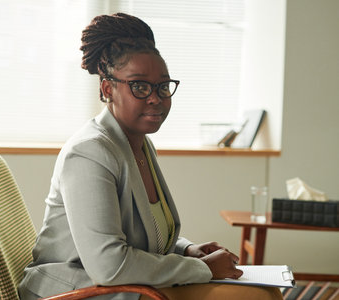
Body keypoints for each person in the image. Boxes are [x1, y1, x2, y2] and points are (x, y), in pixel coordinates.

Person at [18, 13, 283, 300]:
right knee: (257, 298)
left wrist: (187, 250)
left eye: (163, 86)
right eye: (140, 86)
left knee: (267, 291)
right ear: (108, 89)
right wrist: (202, 268)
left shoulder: (139, 144)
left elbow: (140, 233)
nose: (156, 98)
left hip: (121, 285)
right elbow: (109, 265)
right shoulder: (89, 152)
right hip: (77, 289)